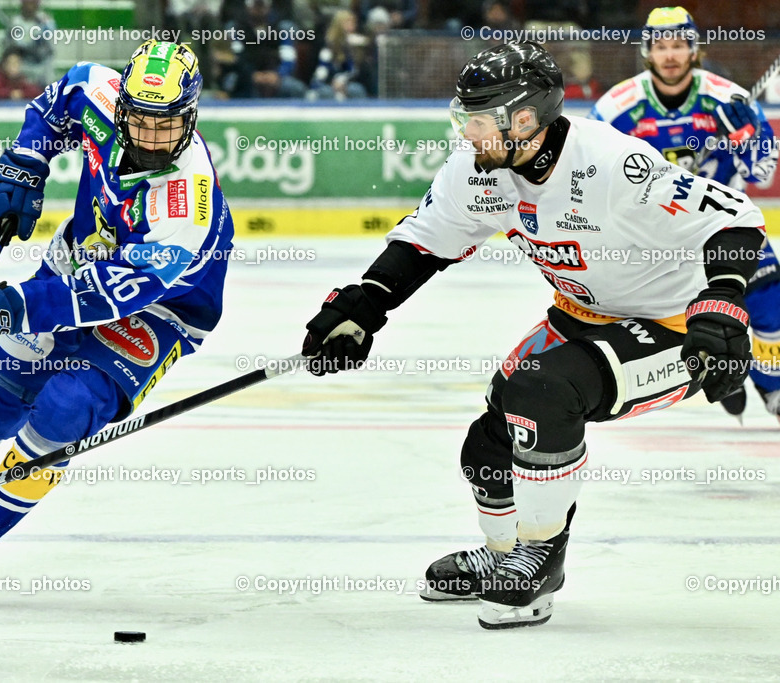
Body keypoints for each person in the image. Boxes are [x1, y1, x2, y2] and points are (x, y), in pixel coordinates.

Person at [301, 42, 764, 629]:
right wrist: (363, 304)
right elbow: (424, 241)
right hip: (580, 313)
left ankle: (540, 562)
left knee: (544, 392)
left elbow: (734, 217)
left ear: (523, 119)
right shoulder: (481, 169)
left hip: (673, 326)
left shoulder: (612, 165)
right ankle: (502, 559)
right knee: (489, 446)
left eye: (477, 117)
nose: (466, 131)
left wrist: (722, 303)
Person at [0, 40, 234, 604]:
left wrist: (9, 306)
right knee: (3, 389)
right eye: (141, 121)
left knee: (66, 405)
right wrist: (24, 167)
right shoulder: (100, 93)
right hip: (78, 257)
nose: (151, 138)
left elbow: (108, 296)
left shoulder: (185, 205)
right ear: (124, 105)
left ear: (191, 117)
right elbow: (56, 104)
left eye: (167, 125)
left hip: (159, 309)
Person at [590, 7, 780, 422]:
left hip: (726, 228)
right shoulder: (618, 108)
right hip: (654, 237)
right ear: (647, 52)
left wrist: (748, 137)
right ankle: (720, 366)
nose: (670, 55)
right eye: (661, 46)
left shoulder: (726, 97)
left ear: (695, 50)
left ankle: (772, 386)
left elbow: (762, 171)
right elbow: (588, 172)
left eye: (679, 45)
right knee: (668, 321)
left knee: (773, 307)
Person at [0, 0, 56, 86]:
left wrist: (34, 44)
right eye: (27, 2)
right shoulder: (14, 22)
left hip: (41, 67)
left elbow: (50, 50)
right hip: (20, 69)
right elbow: (8, 49)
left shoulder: (46, 22)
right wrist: (19, 46)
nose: (30, 5)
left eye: (33, 2)